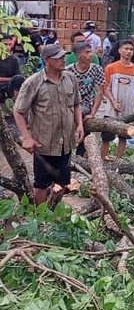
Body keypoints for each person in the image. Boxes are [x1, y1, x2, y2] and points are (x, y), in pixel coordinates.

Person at [13, 44, 83, 205]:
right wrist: (26, 137)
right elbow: (18, 111)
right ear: (47, 60)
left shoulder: (70, 78)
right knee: (41, 185)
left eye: (63, 56)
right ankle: (41, 219)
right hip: (44, 143)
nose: (63, 60)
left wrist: (79, 125)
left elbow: (76, 104)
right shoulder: (33, 82)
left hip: (65, 142)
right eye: (58, 57)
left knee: (62, 183)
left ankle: (53, 213)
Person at [101, 38, 134, 160]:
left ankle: (118, 160)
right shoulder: (110, 68)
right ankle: (102, 160)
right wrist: (113, 102)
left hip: (128, 111)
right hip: (111, 111)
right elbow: (105, 88)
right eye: (126, 49)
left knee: (124, 137)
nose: (129, 51)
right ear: (119, 50)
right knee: (106, 137)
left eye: (131, 49)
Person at [67, 41, 106, 155]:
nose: (91, 55)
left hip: (85, 104)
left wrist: (93, 113)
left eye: (90, 52)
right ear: (79, 55)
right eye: (87, 52)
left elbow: (99, 92)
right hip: (69, 103)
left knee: (79, 113)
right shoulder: (68, 71)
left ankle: (77, 146)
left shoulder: (97, 69)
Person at [0, 35, 24, 101]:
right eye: (5, 44)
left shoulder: (14, 59)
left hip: (9, 89)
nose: (8, 47)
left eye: (10, 44)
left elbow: (18, 79)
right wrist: (11, 79)